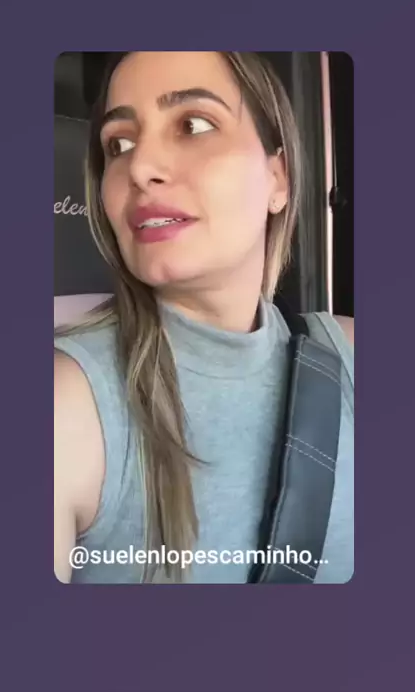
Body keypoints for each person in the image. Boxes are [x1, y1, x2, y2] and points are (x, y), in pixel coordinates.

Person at [54, 51, 354, 584]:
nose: (139, 168)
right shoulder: (66, 407)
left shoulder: (351, 353)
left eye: (193, 125)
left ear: (278, 177)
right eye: (118, 144)